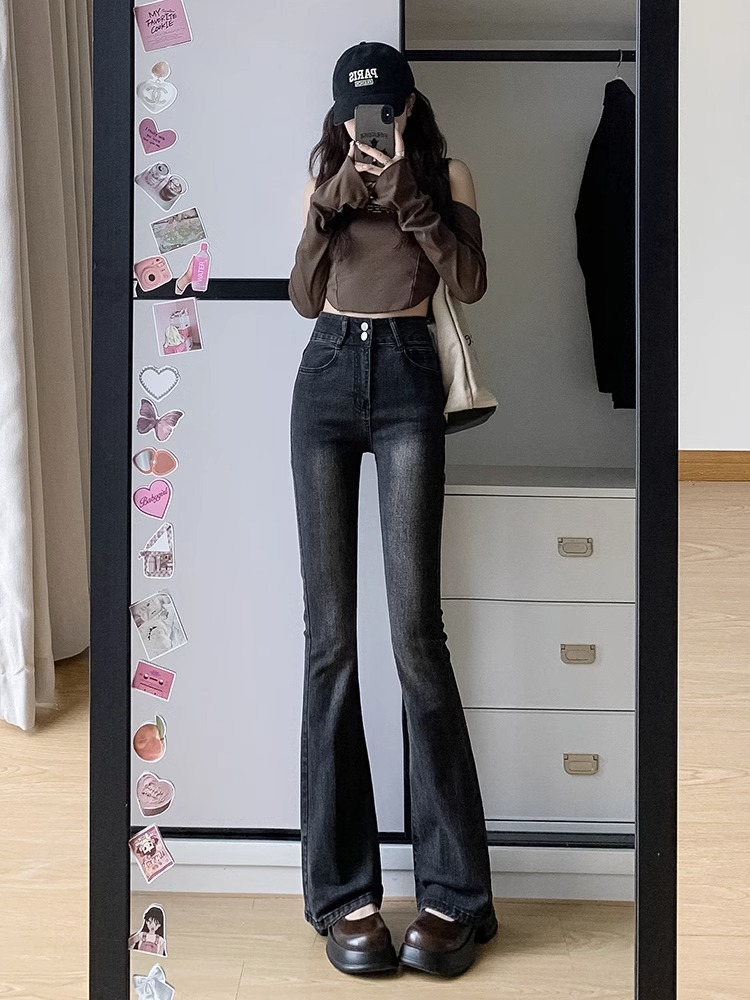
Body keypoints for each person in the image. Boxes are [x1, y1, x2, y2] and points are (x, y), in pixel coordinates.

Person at [288, 39, 498, 978]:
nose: (367, 124)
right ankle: (345, 896)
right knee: (330, 640)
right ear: (340, 114)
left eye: (383, 108)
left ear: (408, 106)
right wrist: (332, 201)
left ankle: (455, 896)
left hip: (411, 379)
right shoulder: (322, 178)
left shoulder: (447, 175)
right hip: (327, 380)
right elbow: (303, 296)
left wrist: (411, 194)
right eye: (354, 111)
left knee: (417, 635)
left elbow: (471, 281)